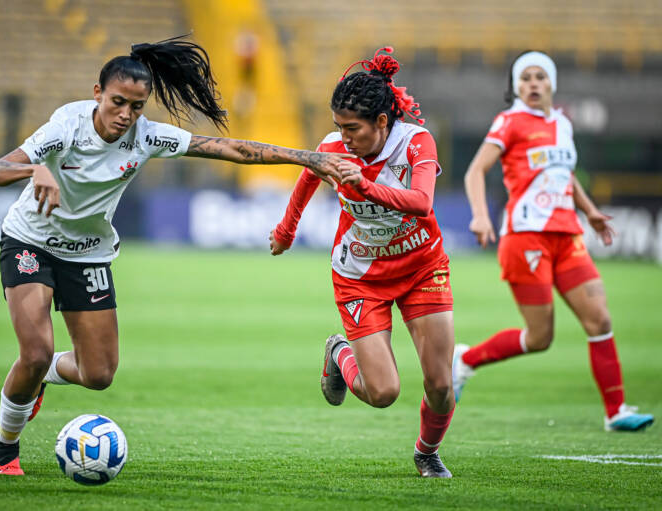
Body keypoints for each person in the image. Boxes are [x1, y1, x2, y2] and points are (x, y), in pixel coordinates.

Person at [0, 36, 351, 476]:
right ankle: (6, 449)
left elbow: (230, 149)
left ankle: (41, 377)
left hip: (88, 253)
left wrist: (308, 158)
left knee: (98, 374)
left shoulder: (147, 136)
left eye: (137, 106)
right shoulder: (66, 125)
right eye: (118, 102)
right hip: (31, 241)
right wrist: (35, 169)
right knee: (37, 350)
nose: (126, 115)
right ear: (97, 93)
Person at [270, 47, 456, 478]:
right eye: (338, 127)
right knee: (383, 393)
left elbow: (423, 203)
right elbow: (306, 180)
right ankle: (339, 352)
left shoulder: (415, 142)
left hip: (421, 267)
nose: (344, 137)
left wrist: (367, 188)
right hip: (360, 277)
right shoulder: (333, 149)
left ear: (382, 123)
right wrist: (286, 231)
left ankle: (426, 453)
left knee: (441, 384)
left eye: (352, 128)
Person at [453, 50, 654, 432]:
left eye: (540, 77)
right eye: (525, 78)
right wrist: (480, 215)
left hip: (567, 236)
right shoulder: (509, 121)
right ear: (517, 86)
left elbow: (565, 173)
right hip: (526, 236)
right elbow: (475, 170)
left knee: (600, 319)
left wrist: (590, 210)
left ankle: (617, 411)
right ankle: (466, 360)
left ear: (551, 83)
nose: (533, 83)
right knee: (541, 337)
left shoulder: (562, 123)